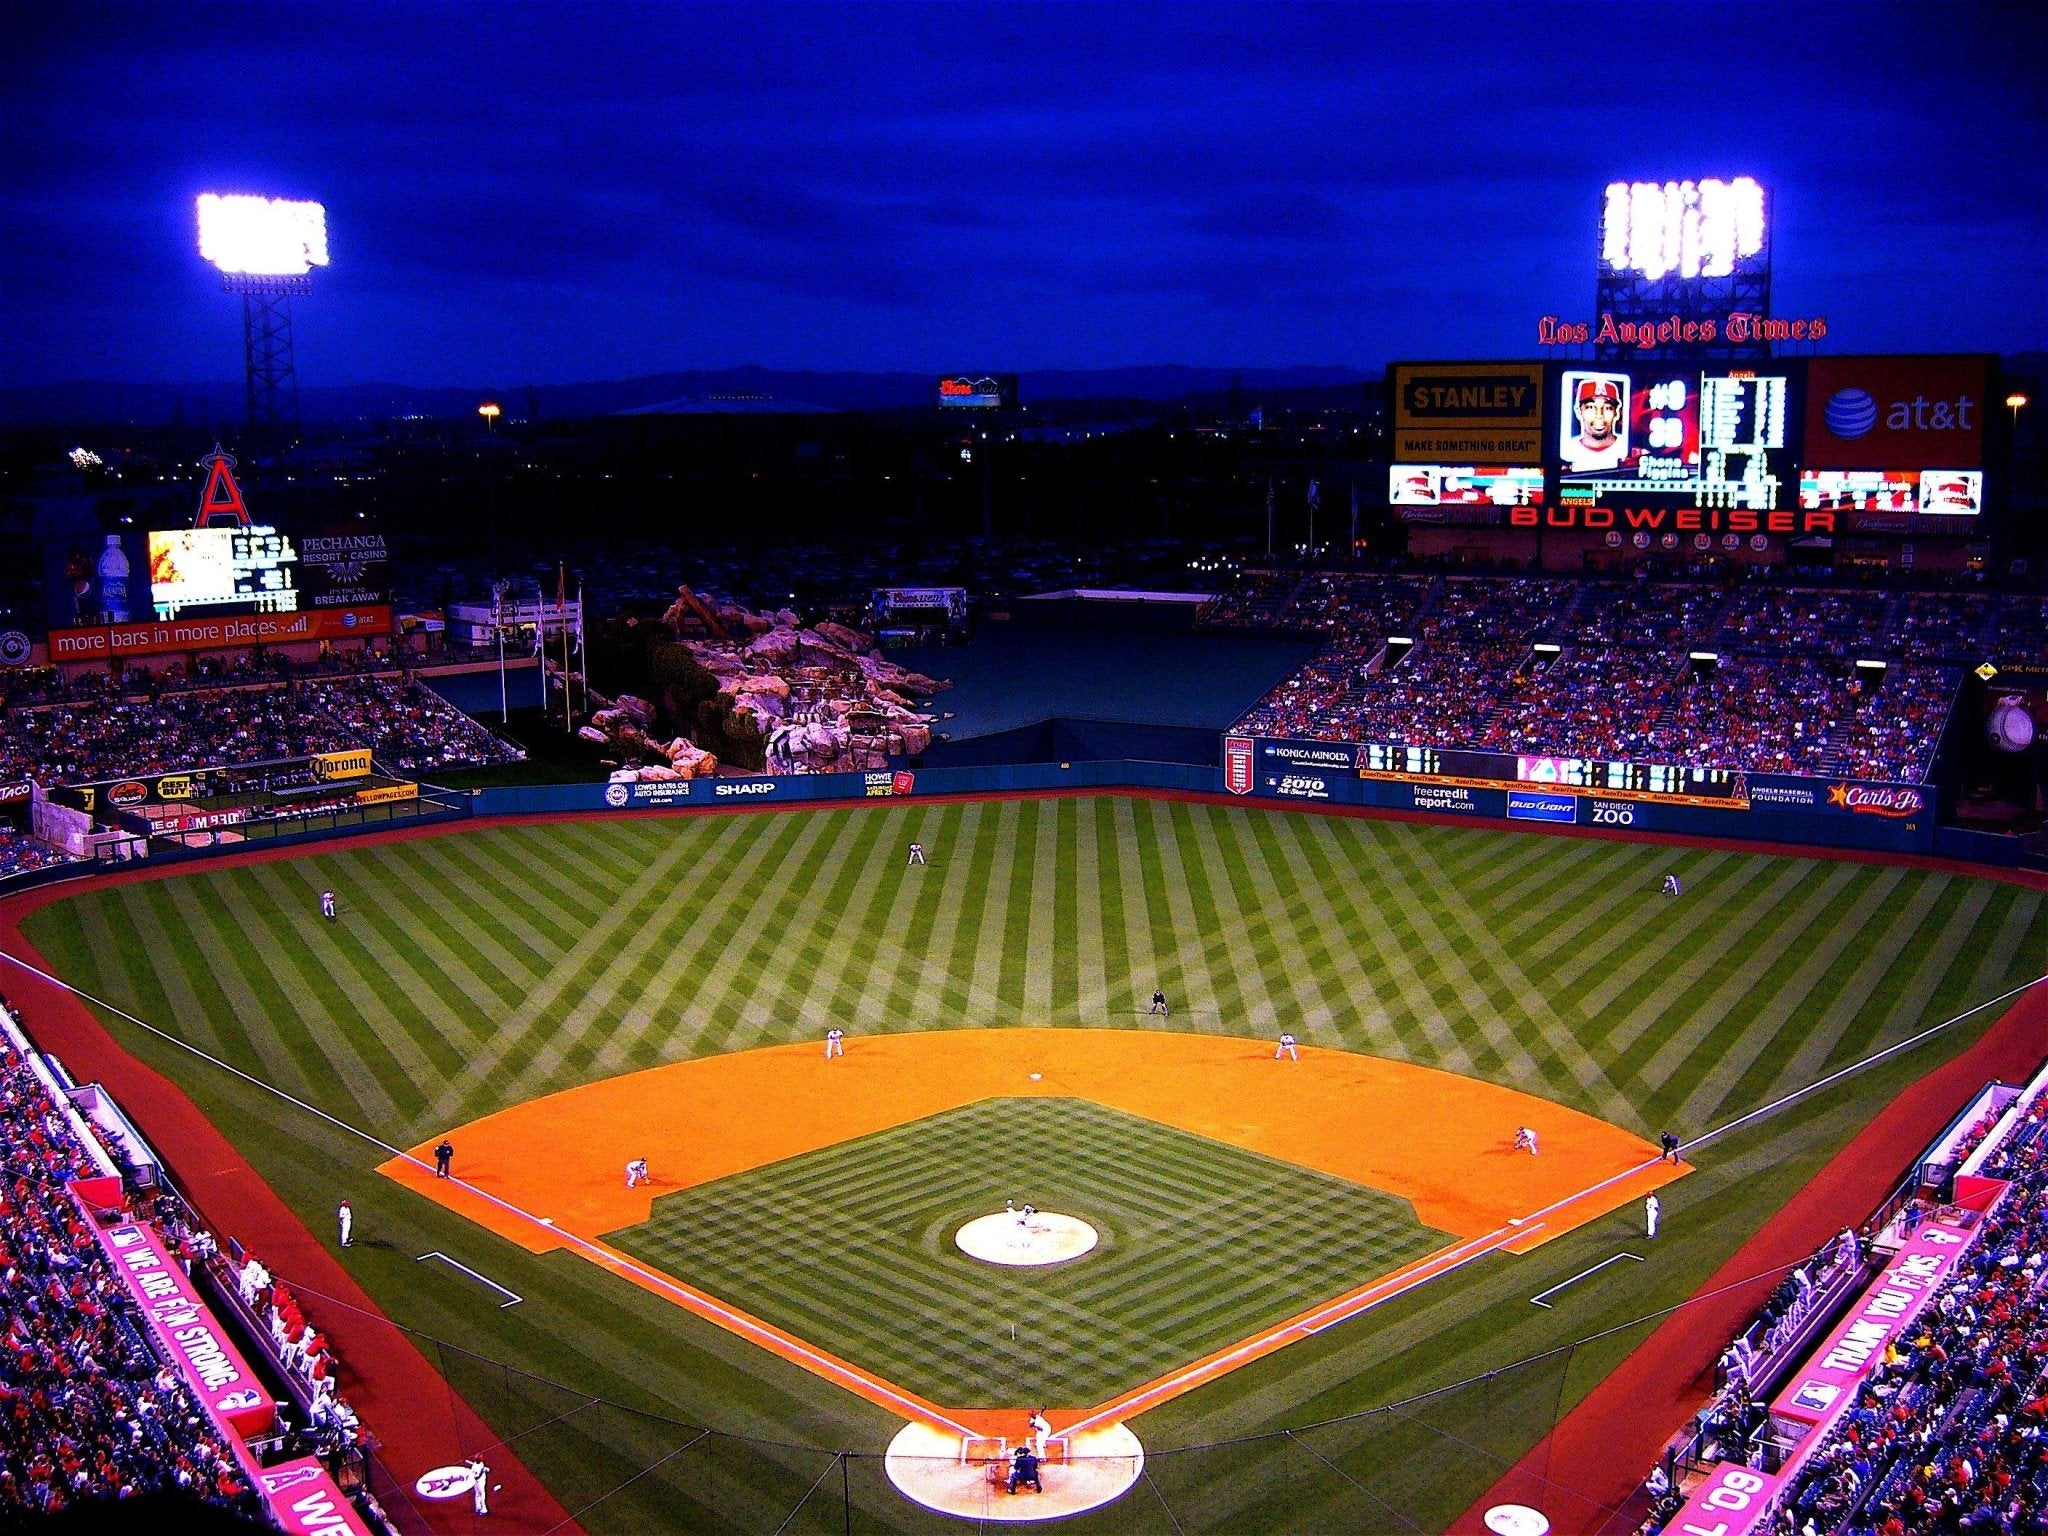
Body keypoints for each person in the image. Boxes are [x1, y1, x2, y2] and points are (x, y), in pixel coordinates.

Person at [1563, 375, 1628, 472]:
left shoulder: (1626, 449)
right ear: (1579, 411)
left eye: (1607, 408)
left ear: (1616, 412)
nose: (1599, 415)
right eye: (1591, 407)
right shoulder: (1567, 450)